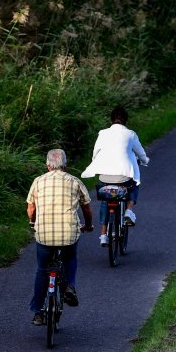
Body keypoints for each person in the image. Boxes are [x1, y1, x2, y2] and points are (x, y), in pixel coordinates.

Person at [26, 148, 94, 325]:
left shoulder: (38, 181)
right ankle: (69, 286)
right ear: (65, 165)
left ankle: (38, 312)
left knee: (42, 269)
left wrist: (32, 222)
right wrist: (88, 225)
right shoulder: (74, 181)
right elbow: (86, 207)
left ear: (48, 165)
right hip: (68, 234)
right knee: (70, 257)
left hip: (44, 235)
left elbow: (31, 208)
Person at [81, 106, 149, 246]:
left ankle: (103, 235)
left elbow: (95, 154)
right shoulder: (131, 134)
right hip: (123, 178)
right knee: (135, 184)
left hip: (105, 178)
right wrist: (144, 160)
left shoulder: (103, 133)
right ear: (125, 121)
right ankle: (129, 210)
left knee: (106, 200)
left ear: (111, 120)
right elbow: (141, 153)